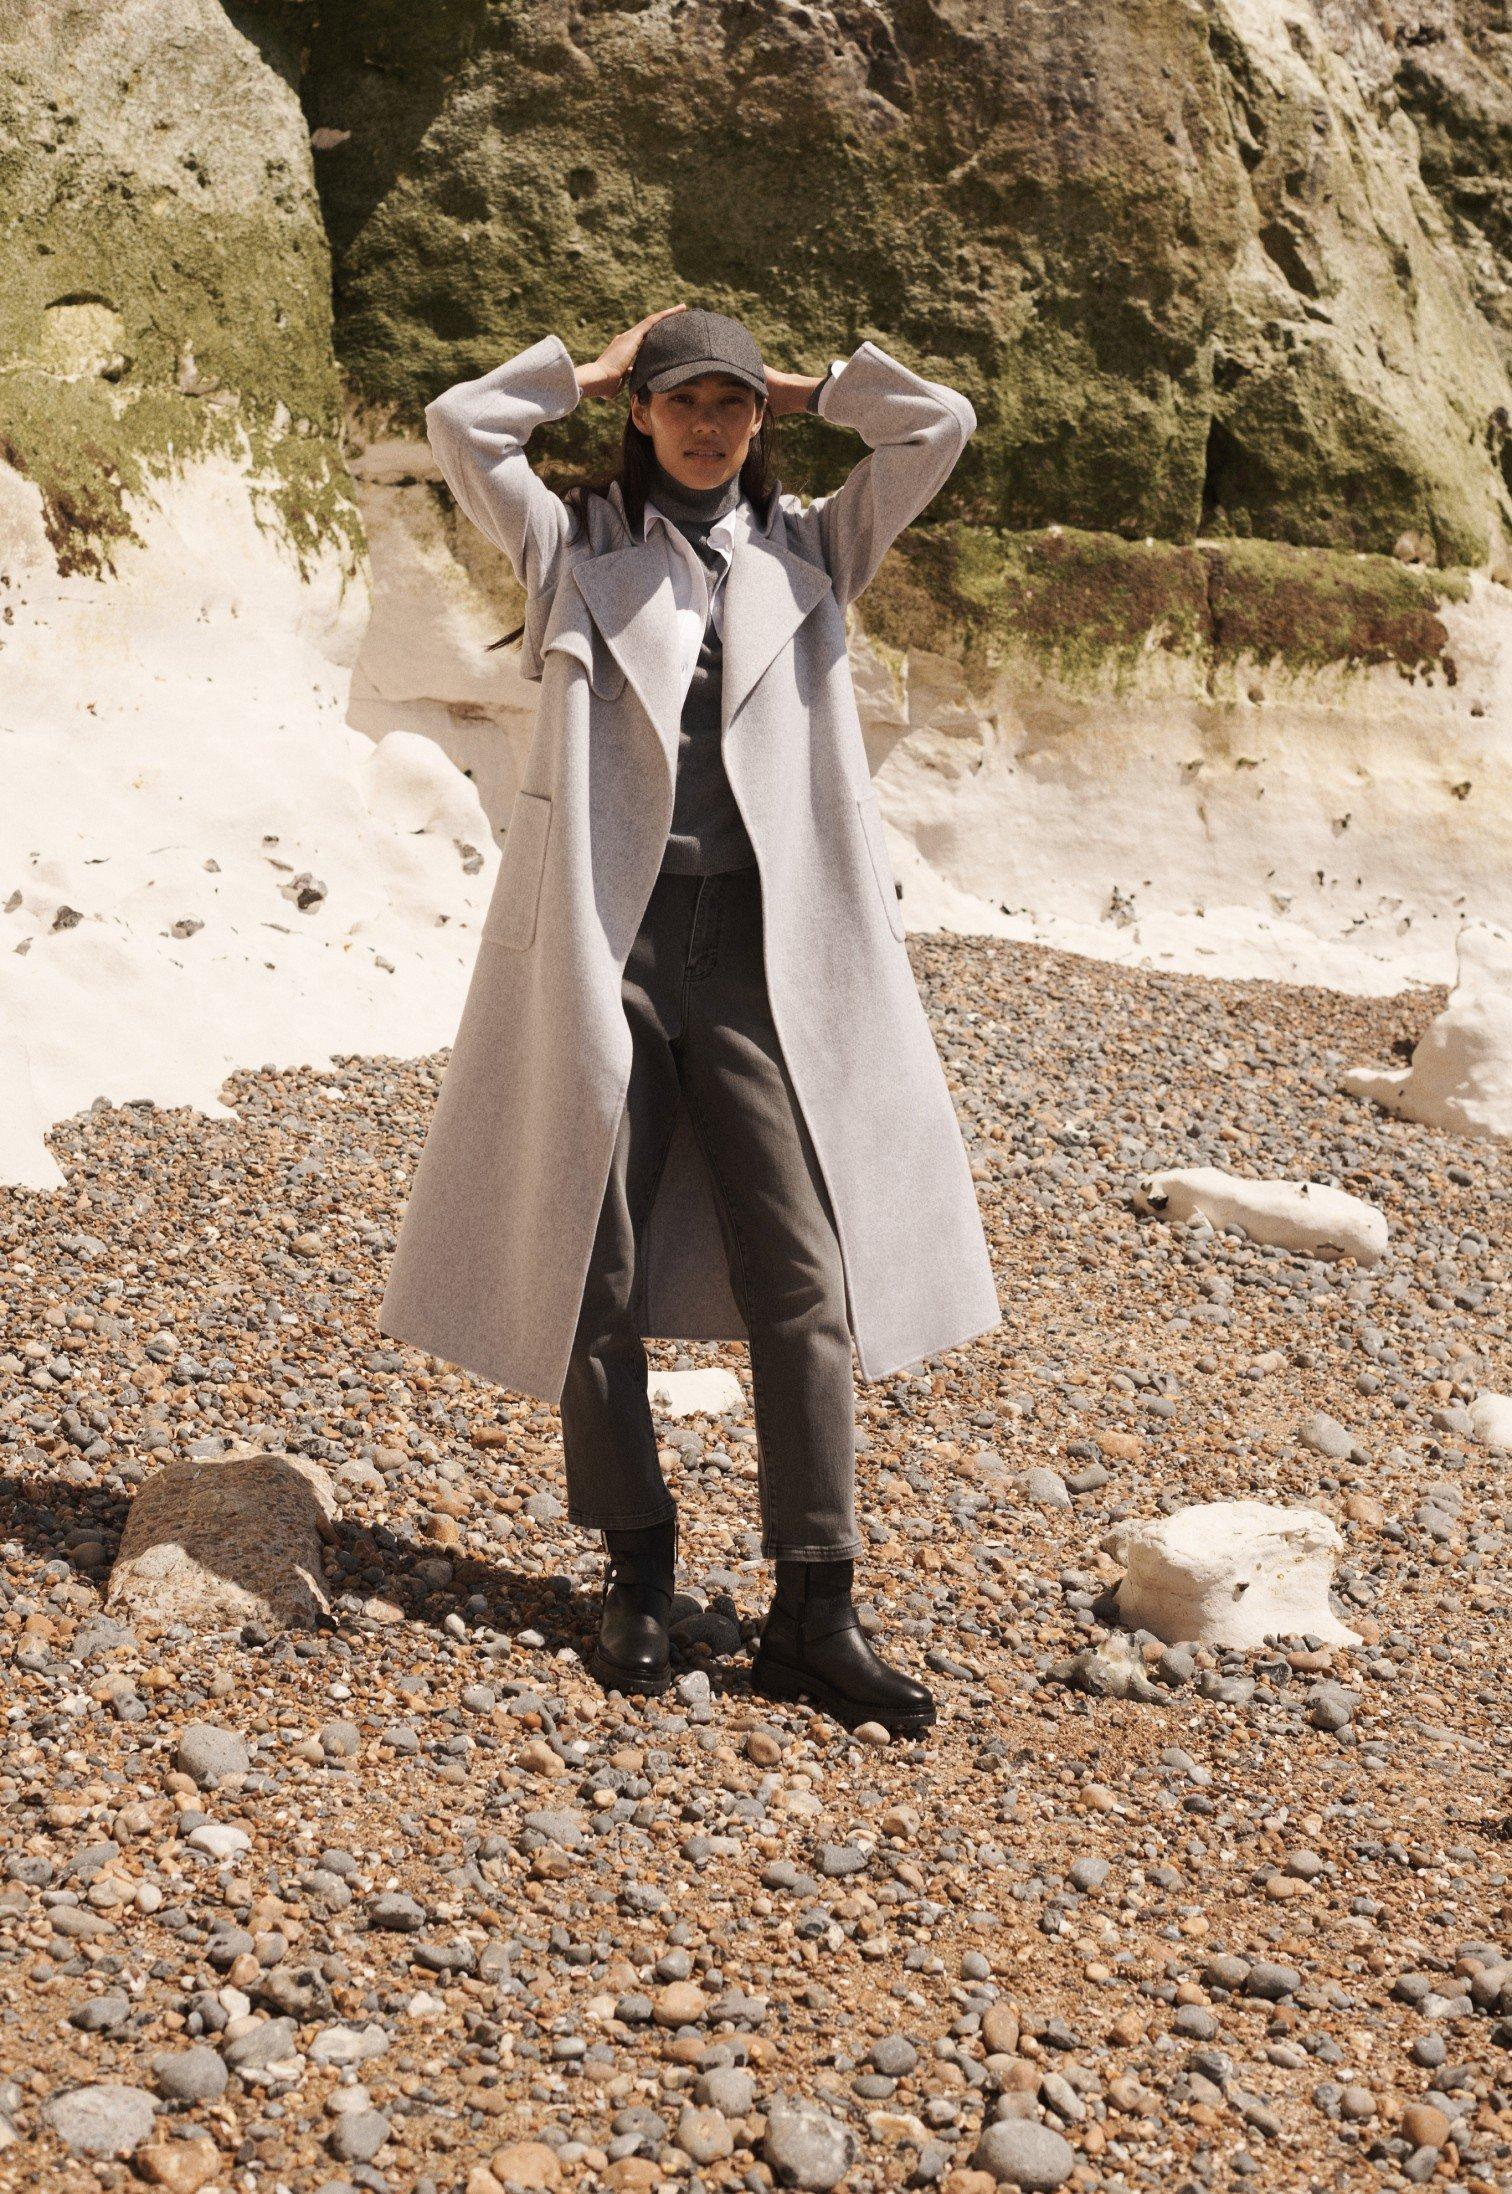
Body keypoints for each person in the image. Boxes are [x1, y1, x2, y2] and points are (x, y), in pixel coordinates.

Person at [391, 303, 996, 1737]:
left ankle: (815, 1599)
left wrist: (815, 384)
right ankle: (636, 1566)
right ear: (646, 415)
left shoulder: (812, 549)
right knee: (589, 1263)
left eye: (734, 404)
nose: (712, 424)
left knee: (806, 1270)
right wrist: (586, 367)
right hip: (611, 945)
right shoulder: (573, 546)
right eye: (684, 401)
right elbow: (461, 425)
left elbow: (941, 426)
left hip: (761, 955)